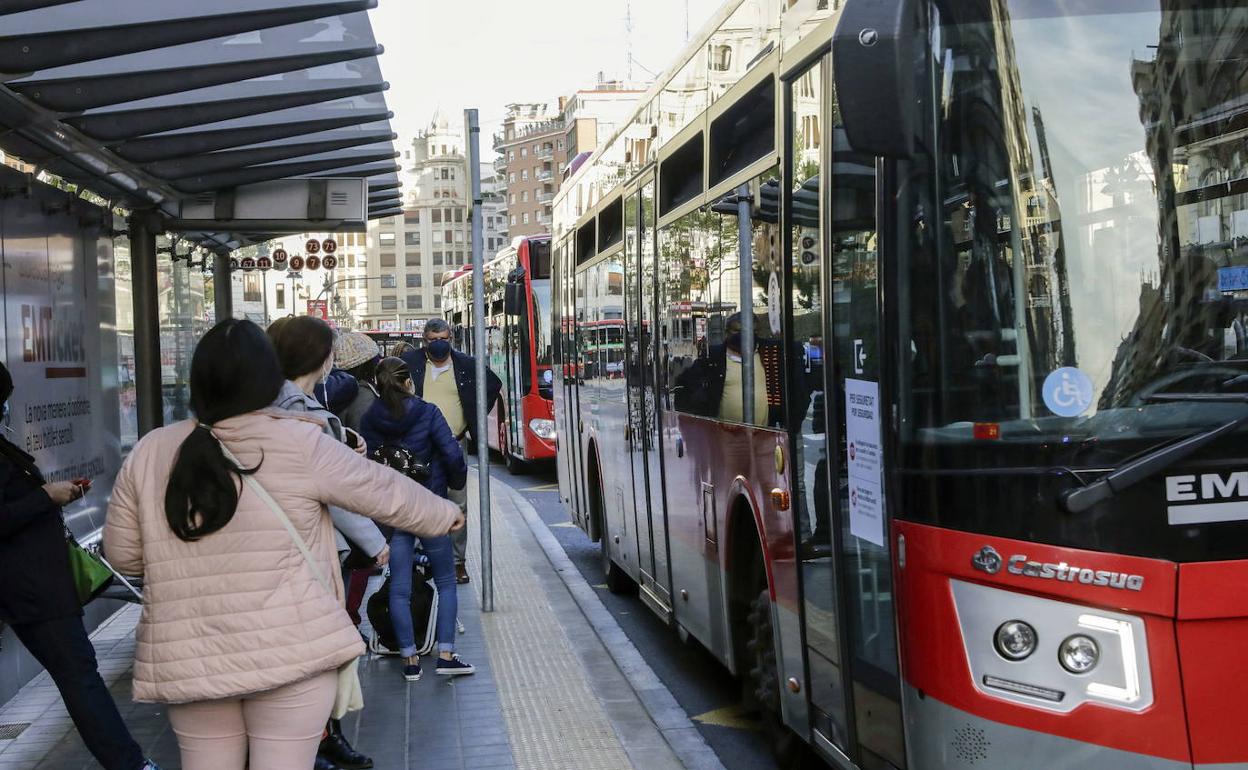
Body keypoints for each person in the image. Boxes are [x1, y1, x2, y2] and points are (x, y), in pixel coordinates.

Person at [103, 320, 462, 770]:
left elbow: (123, 555)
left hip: (190, 658)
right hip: (289, 650)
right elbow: (382, 490)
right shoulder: (297, 439)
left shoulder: (152, 449)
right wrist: (445, 515)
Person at [0, 364, 160, 770]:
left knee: (79, 675)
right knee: (79, 676)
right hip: (30, 588)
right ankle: (130, 764)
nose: (6, 407)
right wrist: (45, 498)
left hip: (36, 583)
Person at [267, 317, 385, 770]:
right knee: (321, 648)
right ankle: (314, 742)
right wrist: (374, 541)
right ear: (317, 357)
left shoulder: (290, 402)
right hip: (309, 547)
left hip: (289, 546)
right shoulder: (299, 408)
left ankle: (322, 737)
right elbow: (329, 489)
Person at [360, 357, 473, 680]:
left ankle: (410, 660)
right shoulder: (427, 412)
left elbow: (365, 466)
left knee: (399, 587)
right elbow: (453, 455)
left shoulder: (370, 419)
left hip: (393, 512)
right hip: (428, 508)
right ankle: (446, 655)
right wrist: (453, 485)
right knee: (446, 581)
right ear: (409, 382)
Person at [400, 318, 501, 584]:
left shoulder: (466, 365)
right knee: (421, 502)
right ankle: (424, 560)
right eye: (433, 340)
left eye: (443, 339)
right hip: (419, 447)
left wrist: (474, 419)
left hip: (454, 444)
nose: (438, 344)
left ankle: (458, 563)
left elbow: (493, 385)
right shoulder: (411, 363)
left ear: (451, 339)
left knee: (458, 504)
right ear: (424, 341)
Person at [329, 332, 384, 628]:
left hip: (338, 485)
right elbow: (368, 443)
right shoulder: (362, 395)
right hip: (353, 487)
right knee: (362, 558)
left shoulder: (329, 393)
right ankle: (350, 619)